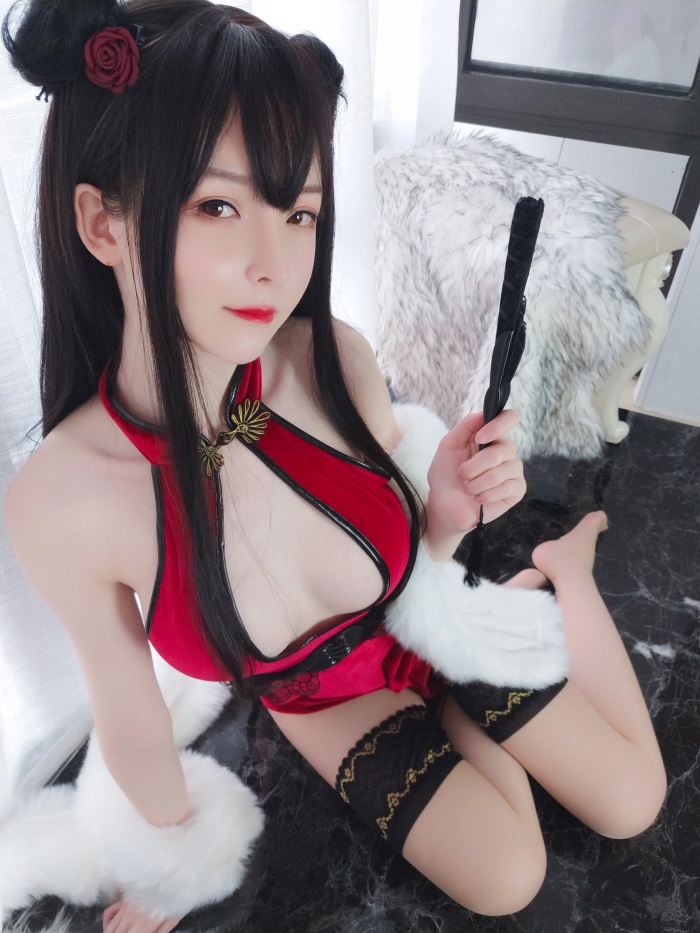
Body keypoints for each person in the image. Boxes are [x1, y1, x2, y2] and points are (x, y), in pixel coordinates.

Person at [1, 1, 667, 931]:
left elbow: (409, 547)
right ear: (103, 223)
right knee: (509, 874)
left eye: (300, 212)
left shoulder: (330, 359)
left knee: (634, 799)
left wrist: (447, 507)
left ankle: (565, 569)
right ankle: (499, 655)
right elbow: (133, 719)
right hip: (322, 697)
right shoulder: (59, 501)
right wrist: (167, 862)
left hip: (425, 606)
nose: (274, 263)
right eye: (218, 205)